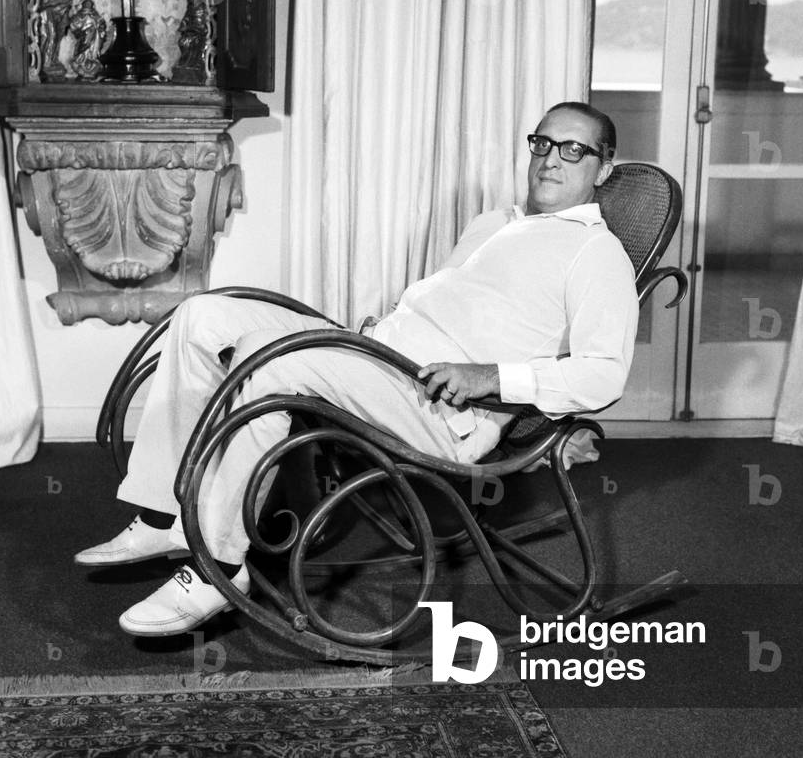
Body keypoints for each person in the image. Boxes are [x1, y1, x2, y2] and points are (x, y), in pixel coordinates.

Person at [75, 102, 639, 636]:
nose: (549, 158)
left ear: (602, 167)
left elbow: (604, 374)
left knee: (266, 361)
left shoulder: (594, 253)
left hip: (440, 409)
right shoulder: (495, 222)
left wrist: (490, 377)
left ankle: (218, 563)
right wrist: (387, 325)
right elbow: (448, 308)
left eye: (572, 149)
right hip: (375, 359)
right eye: (542, 142)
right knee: (202, 314)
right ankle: (163, 514)